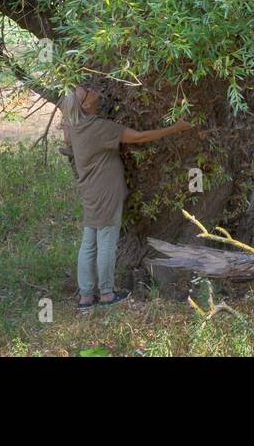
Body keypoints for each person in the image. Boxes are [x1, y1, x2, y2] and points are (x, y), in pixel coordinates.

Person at [57, 83, 195, 311]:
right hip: (106, 193)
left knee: (89, 243)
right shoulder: (99, 127)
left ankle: (85, 297)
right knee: (106, 243)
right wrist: (176, 128)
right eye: (88, 91)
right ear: (86, 104)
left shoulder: (75, 127)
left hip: (90, 192)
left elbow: (67, 139)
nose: (93, 90)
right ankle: (107, 294)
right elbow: (140, 137)